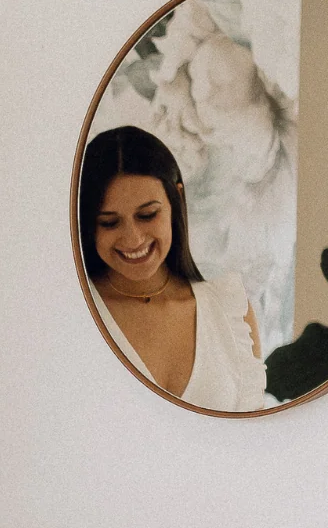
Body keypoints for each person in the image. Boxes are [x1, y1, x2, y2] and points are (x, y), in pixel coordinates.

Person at [78, 125, 268, 411]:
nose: (133, 238)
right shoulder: (75, 314)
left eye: (147, 215)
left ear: (176, 200)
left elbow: (252, 437)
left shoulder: (229, 312)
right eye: (109, 222)